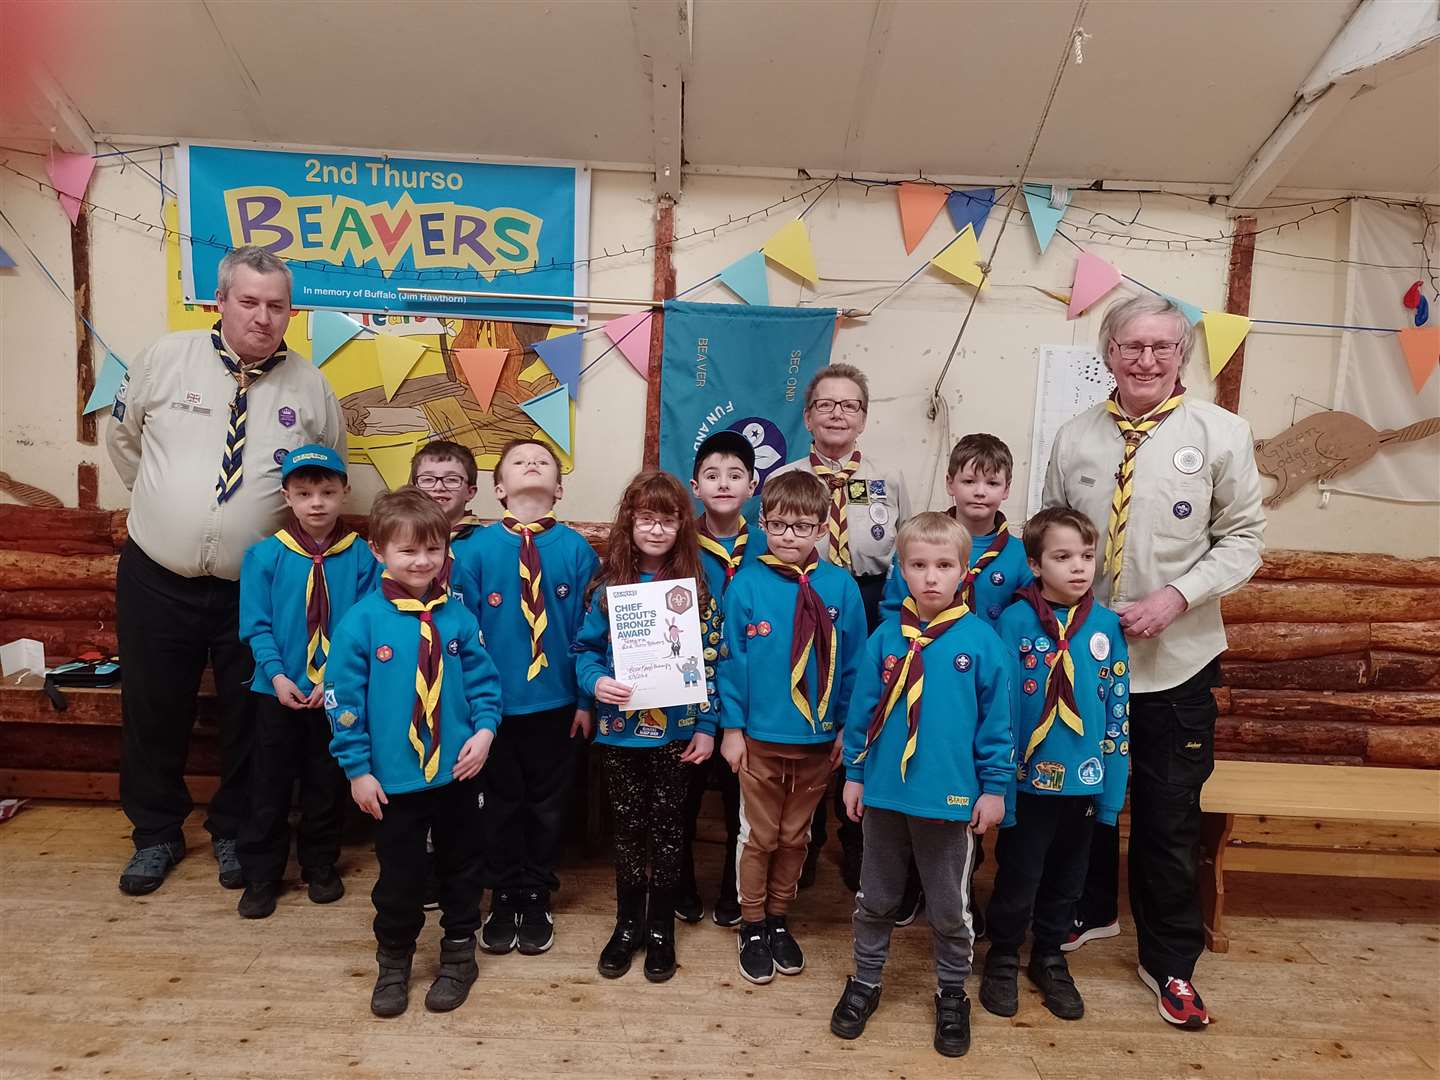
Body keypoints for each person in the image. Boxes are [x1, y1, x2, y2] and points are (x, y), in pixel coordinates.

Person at [1043, 294, 1265, 1029]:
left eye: (1161, 348)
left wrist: (1177, 597)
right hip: (1087, 664)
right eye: (1131, 346)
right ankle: (1090, 912)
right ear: (1107, 352)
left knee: (1169, 817)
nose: (1145, 361)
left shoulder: (1222, 433)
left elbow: (1242, 540)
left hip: (1179, 661)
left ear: (1182, 357)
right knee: (1083, 802)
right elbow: (1051, 536)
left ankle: (1170, 961)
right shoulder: (1075, 436)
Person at [106, 245, 345, 896]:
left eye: (277, 306)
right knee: (154, 710)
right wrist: (166, 504)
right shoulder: (164, 359)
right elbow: (123, 441)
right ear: (220, 303)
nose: (263, 317)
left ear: (290, 312)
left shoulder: (311, 387)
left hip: (257, 588)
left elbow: (326, 470)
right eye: (249, 302)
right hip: (157, 574)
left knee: (250, 716)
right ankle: (155, 834)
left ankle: (236, 830)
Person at [829, 512, 1011, 1058]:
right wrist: (856, 774)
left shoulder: (981, 643)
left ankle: (952, 991)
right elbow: (862, 712)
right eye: (918, 565)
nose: (931, 577)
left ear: (963, 572)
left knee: (950, 907)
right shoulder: (887, 638)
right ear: (901, 571)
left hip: (949, 801)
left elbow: (997, 724)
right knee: (876, 897)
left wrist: (995, 788)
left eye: (944, 565)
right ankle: (865, 979)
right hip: (885, 793)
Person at [325, 489, 503, 1017]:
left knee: (462, 869)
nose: (422, 561)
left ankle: (458, 955)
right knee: (400, 878)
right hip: (394, 779)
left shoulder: (458, 619)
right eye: (408, 552)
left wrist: (486, 732)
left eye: (433, 550)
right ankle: (394, 961)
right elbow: (342, 705)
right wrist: (357, 770)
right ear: (379, 551)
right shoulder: (361, 622)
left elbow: (486, 685)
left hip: (457, 773)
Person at [878, 432, 1033, 930]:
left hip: (982, 687)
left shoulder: (1017, 555)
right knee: (914, 779)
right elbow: (891, 609)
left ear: (1007, 488)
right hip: (921, 677)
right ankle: (907, 888)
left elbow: (1031, 618)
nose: (980, 491)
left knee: (969, 791)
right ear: (951, 483)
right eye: (969, 480)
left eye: (992, 482)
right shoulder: (922, 541)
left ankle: (961, 885)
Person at [717, 470, 867, 986]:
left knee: (796, 837)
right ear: (762, 523)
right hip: (759, 737)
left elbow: (854, 666)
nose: (788, 536)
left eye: (802, 527)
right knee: (758, 836)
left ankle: (779, 918)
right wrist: (731, 728)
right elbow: (730, 660)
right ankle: (752, 923)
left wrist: (849, 726)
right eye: (778, 525)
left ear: (823, 528)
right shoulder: (747, 584)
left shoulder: (840, 587)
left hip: (819, 739)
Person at [981, 507, 1129, 1022]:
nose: (1078, 567)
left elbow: (1117, 712)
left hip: (1085, 786)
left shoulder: (1107, 627)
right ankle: (1002, 954)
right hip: (1026, 783)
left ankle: (1048, 956)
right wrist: (998, 781)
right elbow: (999, 708)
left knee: (1068, 877)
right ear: (1035, 564)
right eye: (1063, 557)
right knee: (1018, 875)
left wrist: (1111, 796)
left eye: (1087, 556)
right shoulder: (1013, 622)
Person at [574, 471, 719, 983]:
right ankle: (626, 925)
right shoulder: (608, 583)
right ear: (630, 522)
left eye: (668, 519)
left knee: (669, 829)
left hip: (678, 732)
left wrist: (707, 724)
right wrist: (595, 684)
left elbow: (715, 658)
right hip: (619, 729)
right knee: (629, 829)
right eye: (646, 519)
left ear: (684, 523)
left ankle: (661, 929)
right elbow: (585, 650)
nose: (657, 530)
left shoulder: (701, 583)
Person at [771, 363, 909, 892]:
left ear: (864, 418)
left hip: (873, 599)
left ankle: (861, 844)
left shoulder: (887, 476)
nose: (837, 413)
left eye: (849, 404)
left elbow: (906, 547)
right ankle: (807, 840)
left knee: (867, 710)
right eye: (826, 404)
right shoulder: (784, 478)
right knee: (814, 706)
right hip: (810, 596)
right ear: (807, 416)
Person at [463, 439, 598, 957]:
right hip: (494, 707)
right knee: (498, 805)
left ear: (559, 488)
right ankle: (502, 893)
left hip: (558, 704)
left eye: (543, 461)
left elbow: (590, 632)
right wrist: (476, 708)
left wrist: (586, 703)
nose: (532, 464)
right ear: (499, 488)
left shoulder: (577, 551)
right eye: (519, 462)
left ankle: (537, 889)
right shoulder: (473, 551)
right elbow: (465, 635)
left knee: (547, 804)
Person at [235, 445, 378, 919]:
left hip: (334, 693)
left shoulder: (361, 558)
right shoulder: (265, 556)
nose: (316, 502)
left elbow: (359, 624)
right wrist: (276, 676)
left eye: (326, 492)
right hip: (276, 691)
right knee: (269, 784)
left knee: (325, 782)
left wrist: (332, 678)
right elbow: (256, 625)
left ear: (344, 493)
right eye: (304, 493)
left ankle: (320, 863)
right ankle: (261, 873)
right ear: (286, 496)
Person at [679, 429, 767, 928]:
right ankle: (682, 882)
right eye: (712, 475)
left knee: (742, 802)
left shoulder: (769, 545)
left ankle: (737, 888)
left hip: (748, 695)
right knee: (685, 797)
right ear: (696, 485)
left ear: (752, 485)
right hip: (688, 692)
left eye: (736, 475)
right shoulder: (679, 542)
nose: (724, 483)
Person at [409, 440, 484, 602]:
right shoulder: (399, 543)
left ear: (470, 492)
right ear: (415, 488)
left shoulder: (487, 543)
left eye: (451, 479)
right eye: (428, 479)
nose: (439, 487)